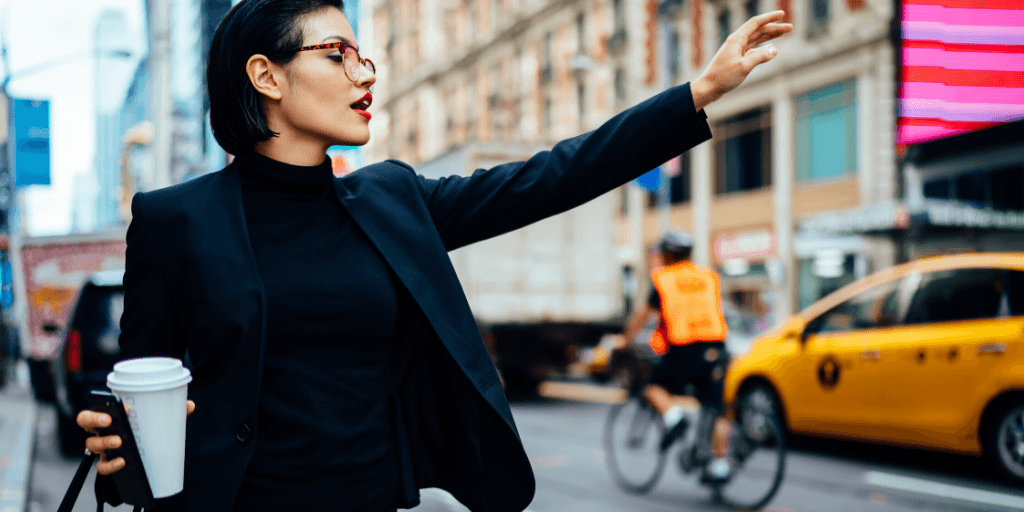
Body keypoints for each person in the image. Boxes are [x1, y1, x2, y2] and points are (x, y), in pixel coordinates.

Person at [74, 0, 792, 509]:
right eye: (337, 55)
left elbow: (553, 175)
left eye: (363, 55)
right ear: (266, 76)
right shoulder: (174, 220)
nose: (365, 74)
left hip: (375, 499)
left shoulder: (393, 198)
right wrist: (117, 447)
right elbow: (139, 384)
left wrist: (697, 94)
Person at [620, 230, 734, 481]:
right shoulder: (708, 276)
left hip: (685, 349)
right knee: (716, 408)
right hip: (717, 347)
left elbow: (643, 315)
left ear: (668, 254)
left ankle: (675, 419)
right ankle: (720, 465)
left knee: (652, 388)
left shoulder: (664, 279)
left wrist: (624, 339)